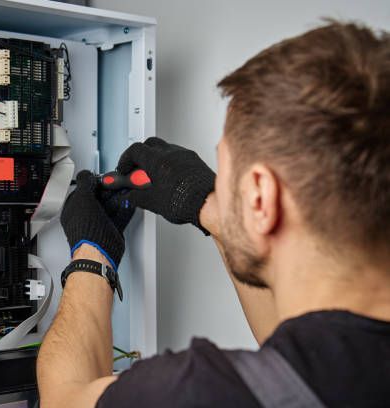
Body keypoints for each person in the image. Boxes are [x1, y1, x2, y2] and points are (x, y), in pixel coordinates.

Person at [37, 21, 390, 407]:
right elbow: (294, 368)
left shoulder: (203, 393)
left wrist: (92, 253)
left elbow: (63, 399)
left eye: (227, 176)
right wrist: (214, 211)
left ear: (260, 197)